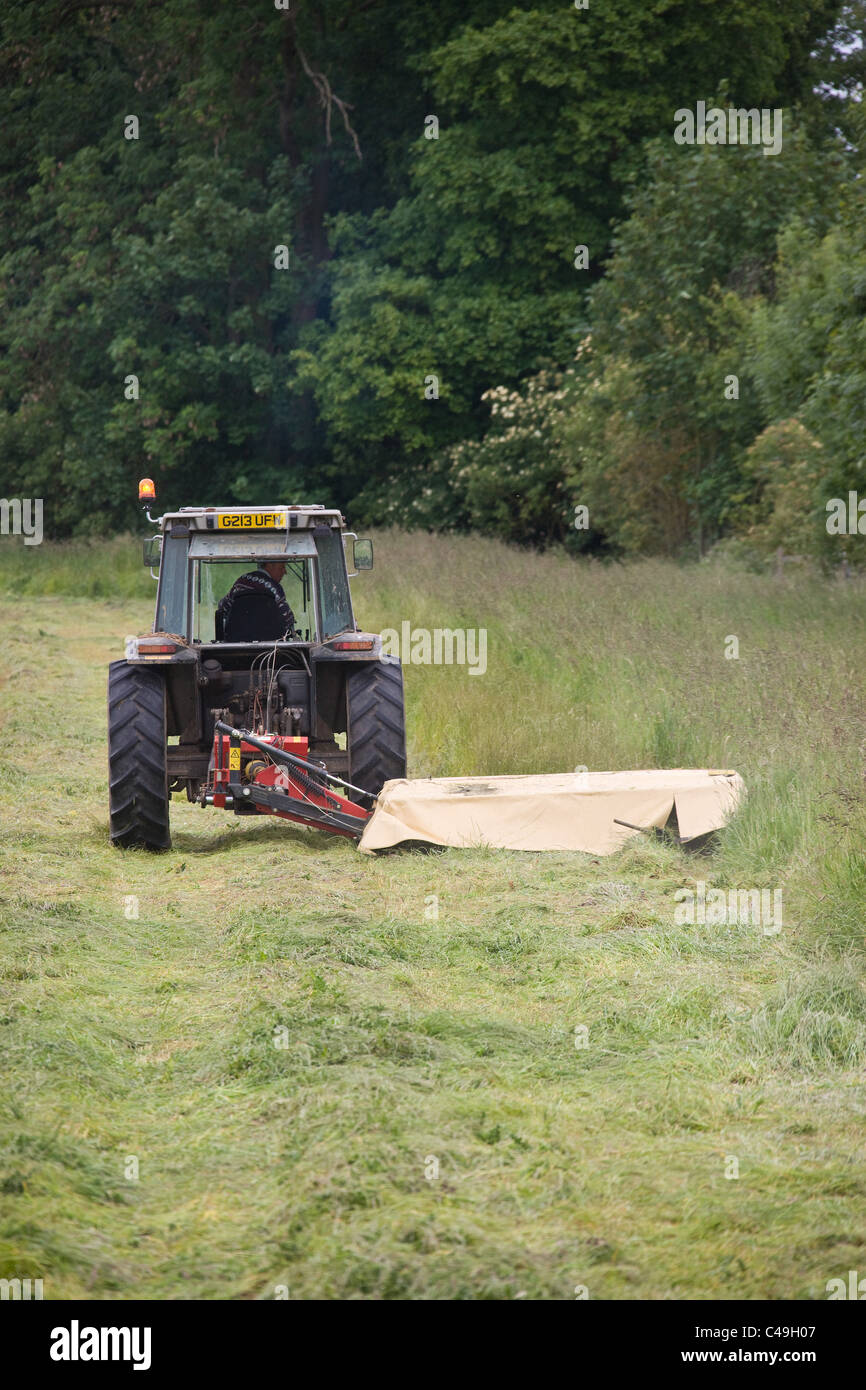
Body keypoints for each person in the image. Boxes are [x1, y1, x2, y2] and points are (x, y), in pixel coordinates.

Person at [216, 559, 297, 642]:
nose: (285, 572)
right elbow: (288, 618)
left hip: (235, 644)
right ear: (270, 564)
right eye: (282, 567)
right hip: (270, 647)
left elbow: (222, 607)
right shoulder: (275, 588)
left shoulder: (241, 582)